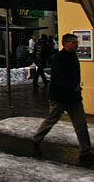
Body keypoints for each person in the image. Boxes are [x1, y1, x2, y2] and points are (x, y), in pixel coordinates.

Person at [32, 34, 93, 162]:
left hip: (74, 98)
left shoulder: (73, 57)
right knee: (51, 120)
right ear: (65, 43)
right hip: (59, 97)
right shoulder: (58, 57)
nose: (77, 44)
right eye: (74, 42)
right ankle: (37, 139)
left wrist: (76, 88)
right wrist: (72, 86)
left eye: (77, 42)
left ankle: (86, 150)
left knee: (81, 124)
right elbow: (58, 77)